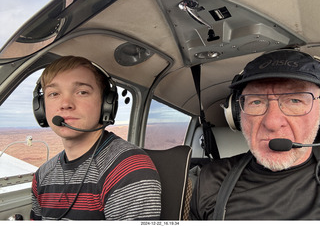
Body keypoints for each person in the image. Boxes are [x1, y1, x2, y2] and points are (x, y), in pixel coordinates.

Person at [190, 49, 320, 220]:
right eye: (256, 101)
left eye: (295, 100)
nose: (272, 122)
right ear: (237, 114)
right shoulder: (211, 179)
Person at [30, 56, 161, 220]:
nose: (65, 103)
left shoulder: (128, 168)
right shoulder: (42, 175)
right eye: (54, 93)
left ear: (107, 104)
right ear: (41, 108)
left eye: (82, 92)